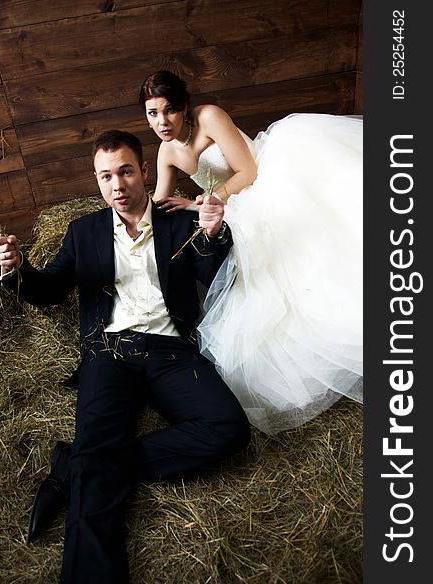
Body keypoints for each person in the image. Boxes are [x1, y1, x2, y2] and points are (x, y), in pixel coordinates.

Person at [0, 130, 251, 583]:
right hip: (108, 353)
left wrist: (211, 232)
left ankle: (80, 464)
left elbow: (213, 276)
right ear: (98, 180)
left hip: (172, 350)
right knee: (100, 454)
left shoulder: (177, 221)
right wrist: (13, 268)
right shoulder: (84, 231)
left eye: (126, 171)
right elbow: (49, 291)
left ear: (144, 172)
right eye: (106, 176)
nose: (117, 185)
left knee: (228, 428)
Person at [139, 70, 363, 435]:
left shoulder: (209, 117)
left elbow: (249, 171)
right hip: (227, 208)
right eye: (152, 113)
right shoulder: (166, 152)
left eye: (168, 111)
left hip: (263, 184)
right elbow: (160, 204)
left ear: (184, 107)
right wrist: (133, 223)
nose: (162, 122)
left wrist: (201, 203)